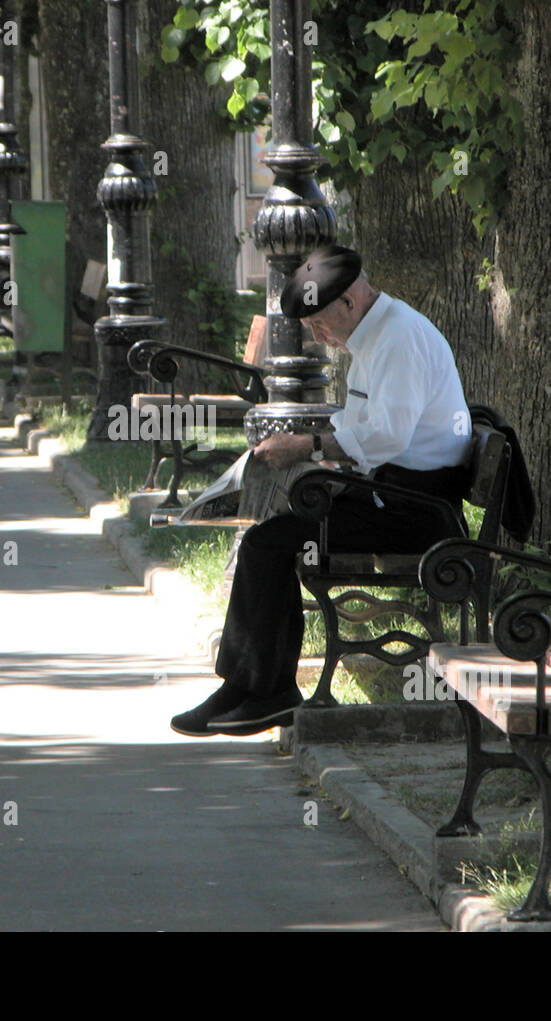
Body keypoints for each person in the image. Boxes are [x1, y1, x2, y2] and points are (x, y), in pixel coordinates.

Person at [171, 244, 473, 736]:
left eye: (318, 323)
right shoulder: (374, 337)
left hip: (416, 510)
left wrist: (309, 446)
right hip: (387, 493)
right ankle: (245, 685)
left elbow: (390, 434)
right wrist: (324, 455)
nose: (317, 335)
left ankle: (267, 691)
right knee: (268, 539)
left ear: (350, 304)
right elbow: (362, 426)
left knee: (267, 545)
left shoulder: (399, 339)